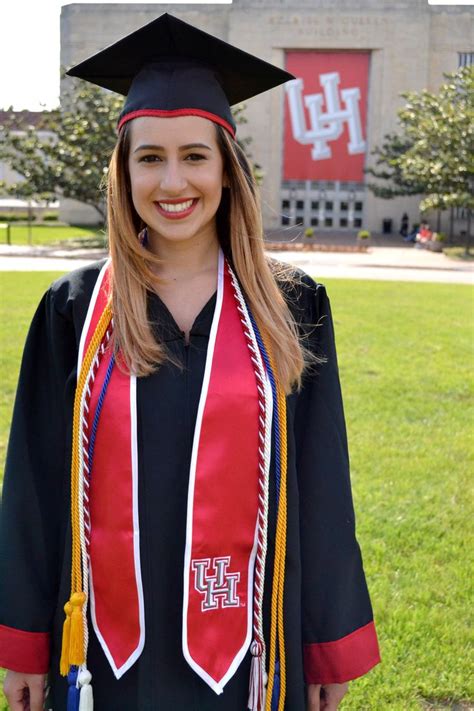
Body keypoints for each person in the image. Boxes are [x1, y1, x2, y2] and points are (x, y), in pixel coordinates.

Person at [0, 13, 380, 711]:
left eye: (194, 155)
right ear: (124, 169)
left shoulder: (292, 307)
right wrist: (24, 642)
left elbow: (323, 485)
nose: (173, 180)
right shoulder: (74, 314)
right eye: (150, 157)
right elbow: (33, 483)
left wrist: (326, 644)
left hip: (252, 653)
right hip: (106, 659)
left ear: (227, 167)